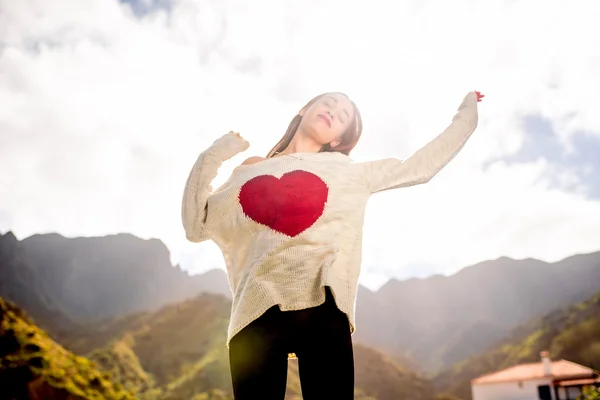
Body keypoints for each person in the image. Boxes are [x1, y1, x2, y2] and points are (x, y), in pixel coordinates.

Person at [181, 90, 484, 400]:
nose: (333, 112)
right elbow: (197, 224)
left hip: (322, 303)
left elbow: (421, 166)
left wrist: (467, 113)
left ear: (339, 139)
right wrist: (216, 153)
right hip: (256, 309)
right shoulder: (252, 168)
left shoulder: (349, 172)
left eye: (342, 116)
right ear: (304, 108)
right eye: (328, 103)